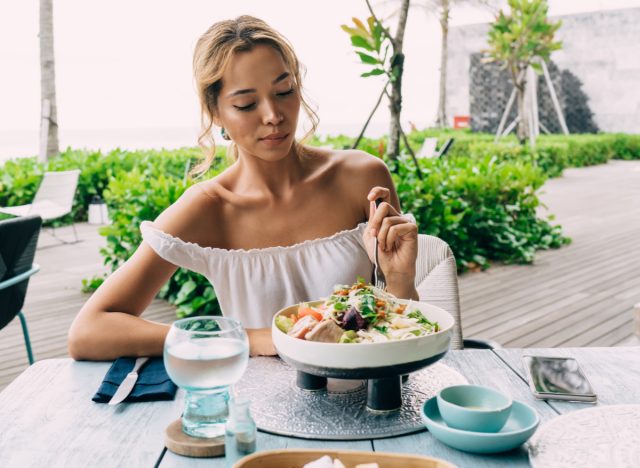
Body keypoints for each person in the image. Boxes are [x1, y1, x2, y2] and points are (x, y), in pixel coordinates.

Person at [68, 15, 418, 360]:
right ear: (216, 113)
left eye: (284, 91)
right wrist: (251, 339)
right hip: (260, 405)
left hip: (370, 396)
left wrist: (399, 279)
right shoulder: (209, 207)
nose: (273, 115)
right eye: (246, 104)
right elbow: (89, 332)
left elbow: (405, 332)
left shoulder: (361, 176)